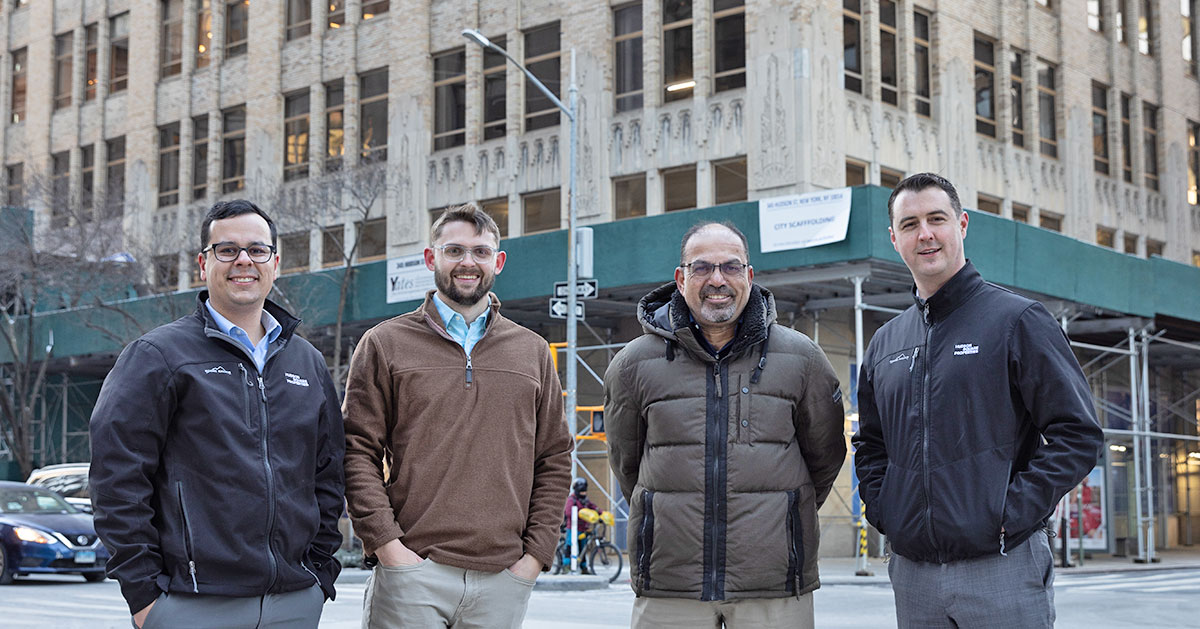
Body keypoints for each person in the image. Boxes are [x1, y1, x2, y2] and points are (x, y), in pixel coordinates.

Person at [852, 172, 1105, 628]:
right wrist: (885, 510)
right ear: (894, 238)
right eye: (909, 224)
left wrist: (1009, 513)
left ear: (962, 225)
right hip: (913, 574)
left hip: (1001, 565)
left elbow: (1078, 434)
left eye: (937, 219)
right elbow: (870, 445)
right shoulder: (886, 342)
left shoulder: (1017, 321)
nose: (925, 234)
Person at [89, 200, 345, 629]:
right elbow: (116, 477)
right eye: (227, 250)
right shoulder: (158, 356)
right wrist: (144, 596)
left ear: (276, 264)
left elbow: (328, 475)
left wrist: (319, 575)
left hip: (295, 602)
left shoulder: (307, 362)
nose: (243, 260)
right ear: (203, 264)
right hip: (192, 603)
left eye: (257, 250)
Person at [604, 221, 847, 628]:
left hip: (773, 583)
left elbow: (825, 457)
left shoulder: (802, 358)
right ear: (680, 279)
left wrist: (781, 514)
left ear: (749, 277)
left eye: (731, 267)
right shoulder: (633, 364)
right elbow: (626, 464)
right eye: (702, 268)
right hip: (671, 583)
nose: (717, 280)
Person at [342, 203, 573, 628]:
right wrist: (388, 546)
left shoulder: (533, 351)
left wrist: (535, 556)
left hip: (503, 579)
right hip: (412, 574)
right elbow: (356, 451)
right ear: (432, 258)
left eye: (480, 252)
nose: (468, 263)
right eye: (454, 251)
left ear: (497, 262)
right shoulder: (384, 343)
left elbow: (555, 458)